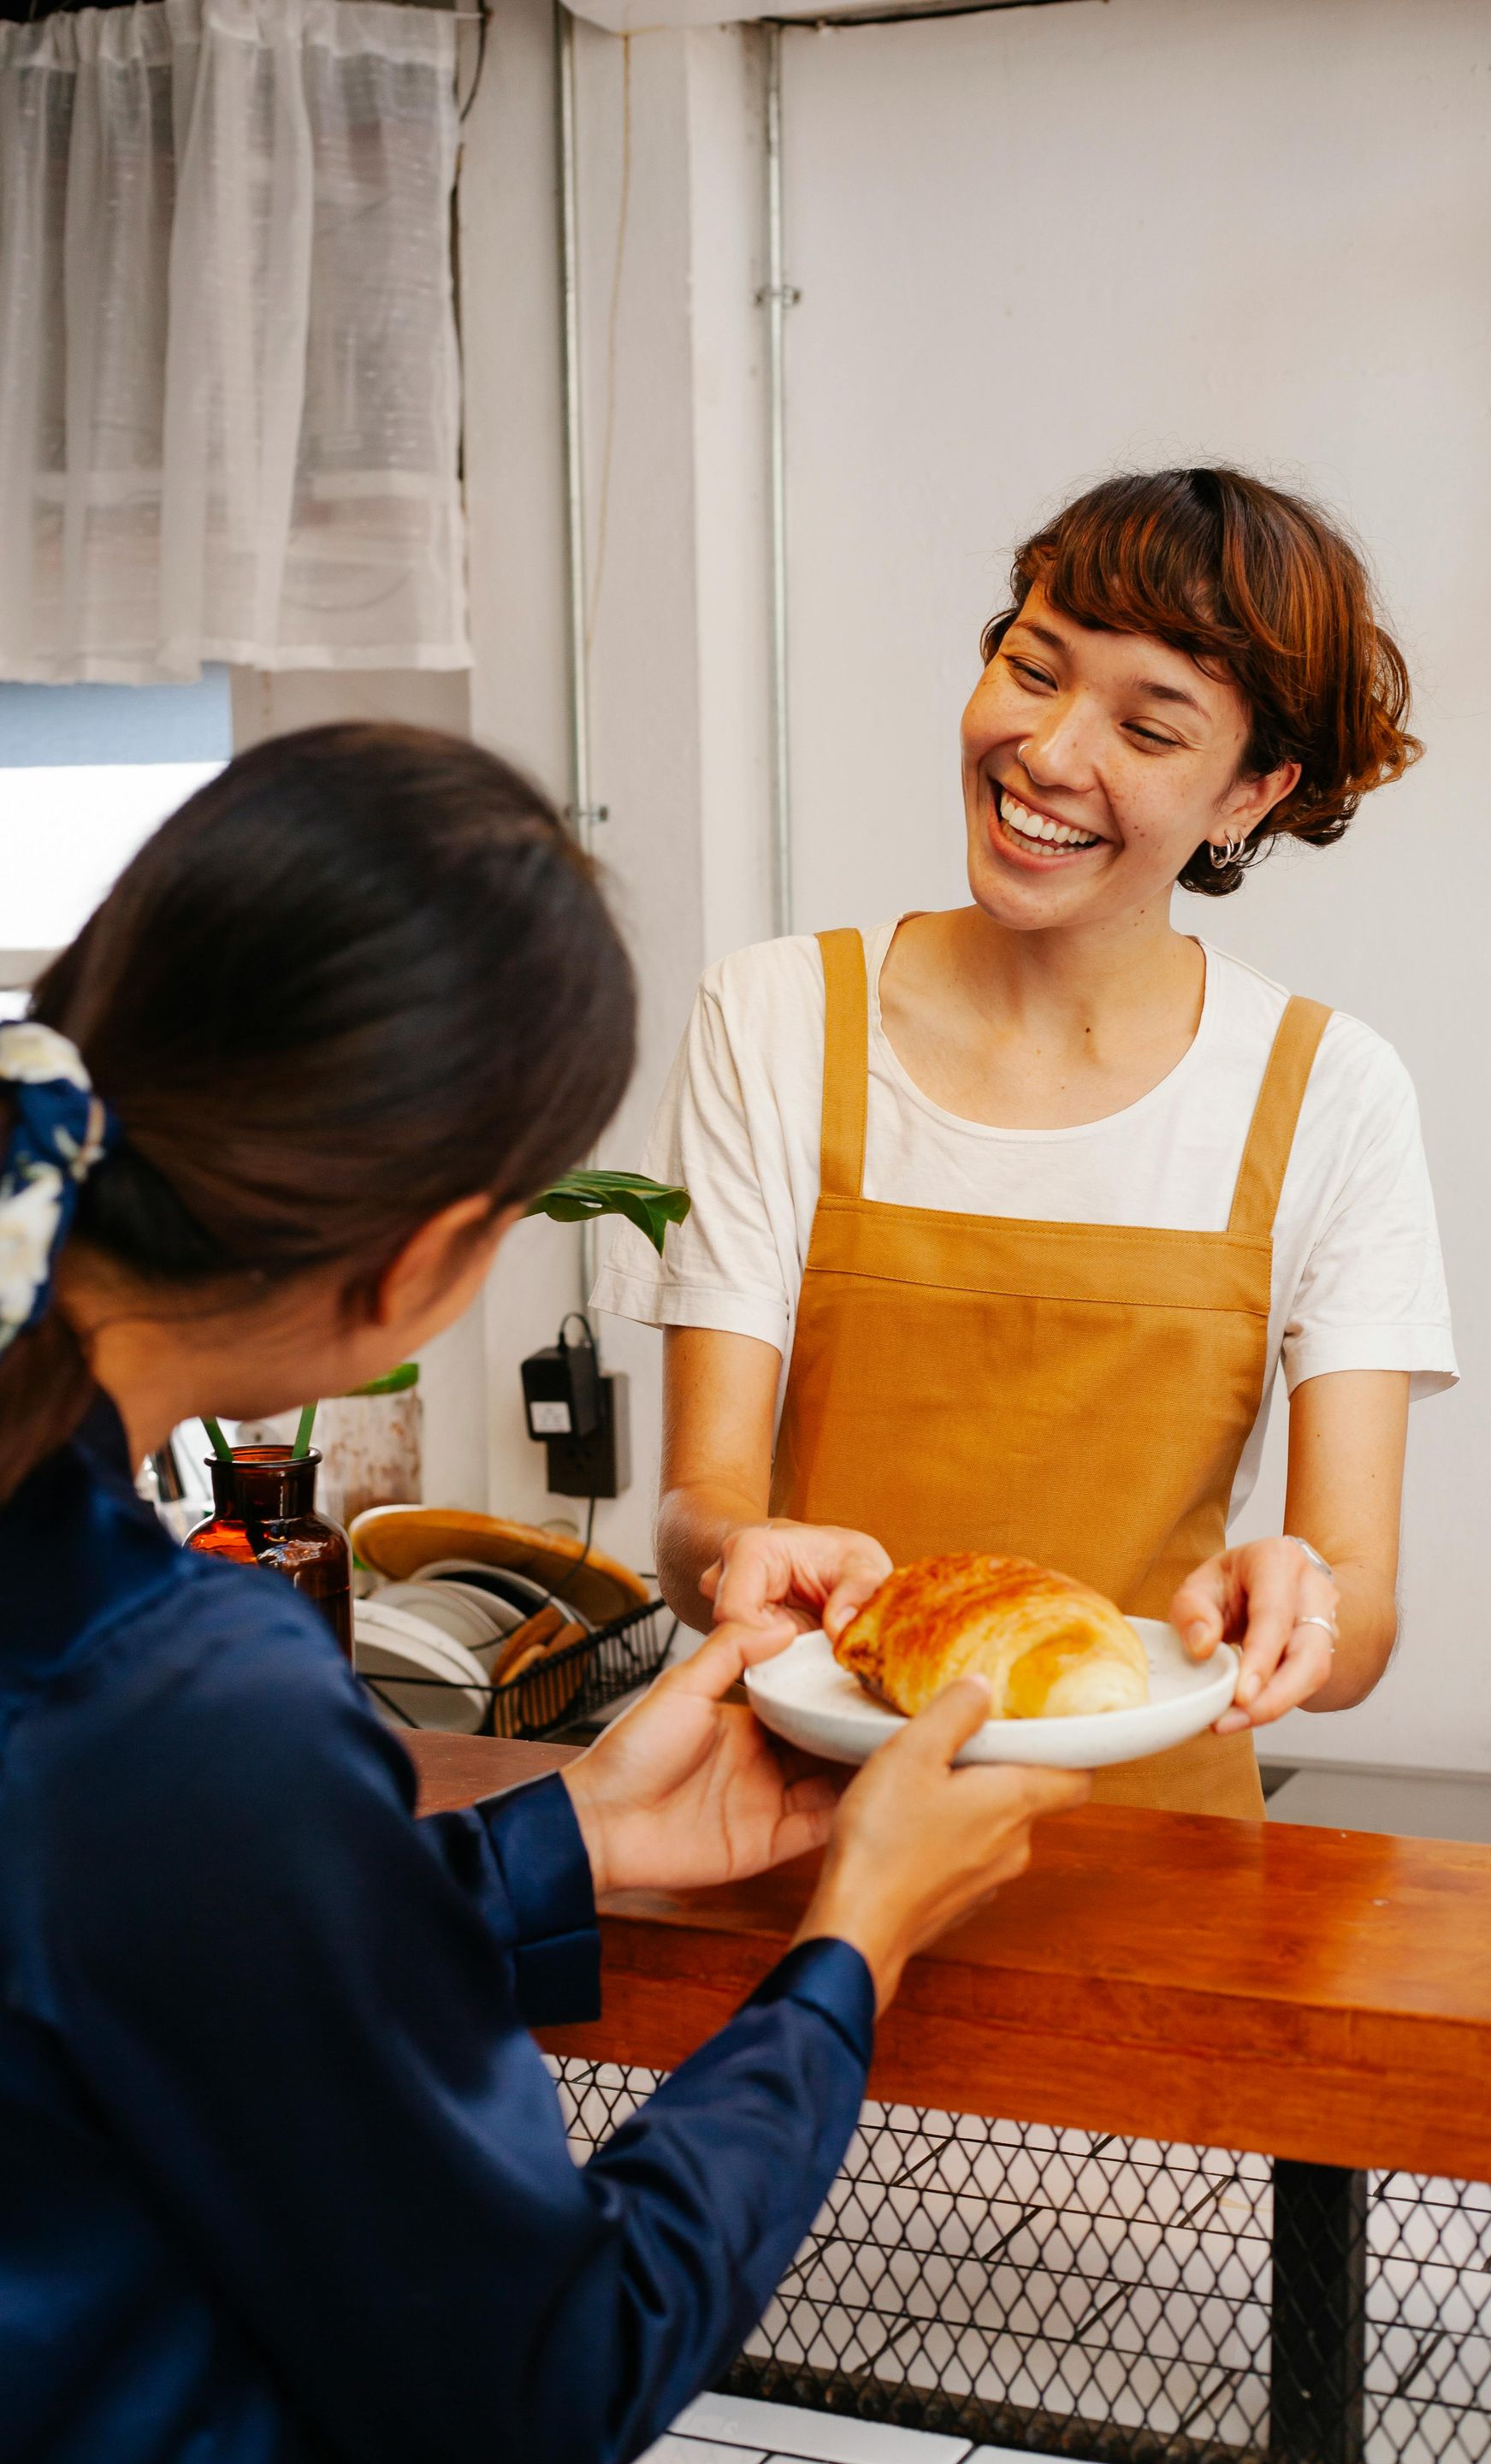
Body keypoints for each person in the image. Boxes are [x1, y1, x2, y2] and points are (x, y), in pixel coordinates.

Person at [0, 726, 1088, 2464]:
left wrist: (562, 1841)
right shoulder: (191, 1690)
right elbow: (550, 2373)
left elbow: (126, 1949)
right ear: (427, 1260)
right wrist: (849, 1953)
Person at [595, 468, 1457, 1820]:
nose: (1051, 754)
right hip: (801, 1835)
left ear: (1252, 792)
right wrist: (741, 1552)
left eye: (1151, 728)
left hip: (1159, 1874)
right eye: (1033, 668)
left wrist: (1307, 1605)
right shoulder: (771, 1020)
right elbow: (698, 1514)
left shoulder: (1329, 1091)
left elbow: (1358, 1605)